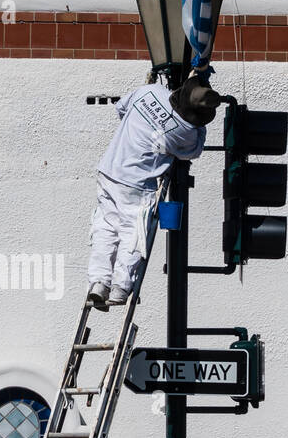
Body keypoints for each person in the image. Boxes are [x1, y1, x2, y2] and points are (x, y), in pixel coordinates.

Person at [87, 71, 221, 310]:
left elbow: (121, 109)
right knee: (133, 233)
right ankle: (120, 287)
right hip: (138, 184)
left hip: (109, 170)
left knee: (105, 228)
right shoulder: (186, 132)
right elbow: (193, 151)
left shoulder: (149, 92)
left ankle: (98, 282)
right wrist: (198, 128)